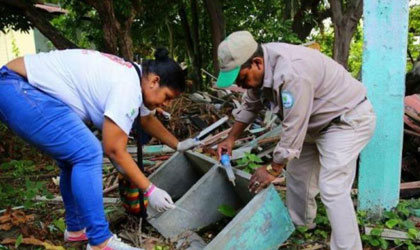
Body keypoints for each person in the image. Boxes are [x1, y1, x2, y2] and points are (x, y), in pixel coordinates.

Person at [0, 48, 200, 250]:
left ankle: (76, 231)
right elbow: (113, 149)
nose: (164, 105)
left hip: (16, 87)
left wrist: (178, 144)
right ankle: (100, 242)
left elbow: (146, 118)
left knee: (73, 157)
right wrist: (150, 190)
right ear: (155, 81)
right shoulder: (127, 87)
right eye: (167, 97)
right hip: (18, 88)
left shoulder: (135, 77)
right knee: (88, 153)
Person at [216, 31, 376, 250]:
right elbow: (251, 105)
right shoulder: (261, 67)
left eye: (241, 79)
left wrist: (273, 169)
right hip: (315, 123)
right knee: (298, 177)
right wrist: (231, 138)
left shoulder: (292, 72)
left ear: (256, 62)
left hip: (346, 120)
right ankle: (301, 228)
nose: (241, 85)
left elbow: (293, 126)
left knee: (332, 187)